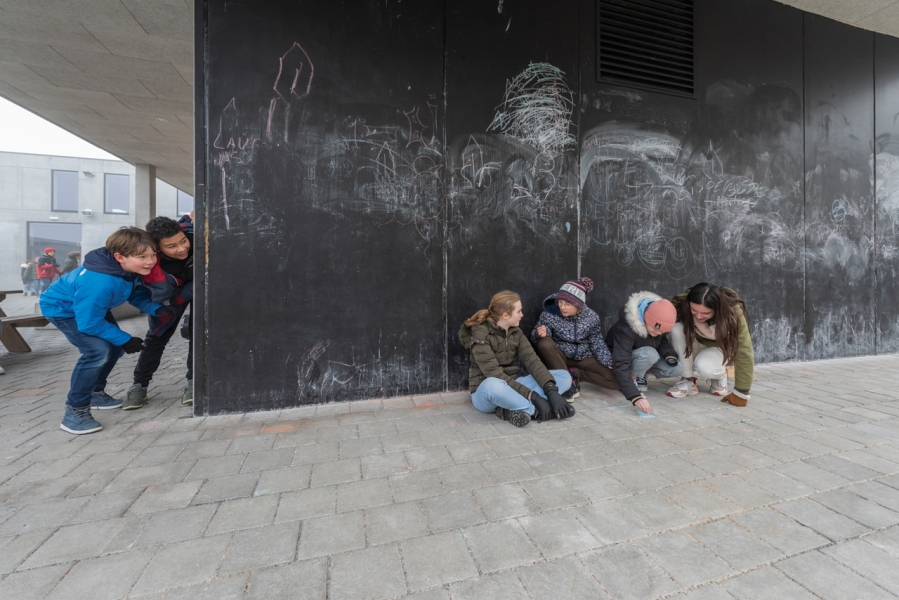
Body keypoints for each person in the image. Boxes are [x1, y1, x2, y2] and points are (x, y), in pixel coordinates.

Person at [40, 227, 176, 434]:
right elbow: (88, 323)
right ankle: (75, 412)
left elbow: (132, 294)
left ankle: (95, 393)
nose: (150, 261)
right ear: (119, 256)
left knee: (113, 348)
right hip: (64, 311)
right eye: (142, 256)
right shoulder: (100, 281)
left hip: (92, 310)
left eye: (152, 255)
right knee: (97, 352)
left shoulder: (127, 270)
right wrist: (125, 339)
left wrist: (156, 308)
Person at [458, 291, 574, 427]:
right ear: (505, 315)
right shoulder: (481, 334)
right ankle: (537, 409)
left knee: (563, 376)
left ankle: (512, 410)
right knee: (493, 384)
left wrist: (551, 389)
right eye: (518, 311)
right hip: (486, 393)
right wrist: (533, 396)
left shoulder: (516, 332)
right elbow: (494, 374)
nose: (522, 315)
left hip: (514, 385)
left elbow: (533, 361)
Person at [124, 215, 194, 409]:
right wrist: (156, 308)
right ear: (156, 248)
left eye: (183, 241)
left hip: (198, 291)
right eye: (171, 246)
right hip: (167, 301)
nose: (181, 249)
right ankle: (139, 385)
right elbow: (136, 295)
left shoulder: (196, 238)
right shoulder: (147, 263)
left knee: (199, 334)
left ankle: (194, 383)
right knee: (156, 338)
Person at [666, 283, 755, 407]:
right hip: (694, 344)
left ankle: (719, 375)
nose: (698, 316)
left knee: (704, 367)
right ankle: (688, 380)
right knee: (676, 328)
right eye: (694, 310)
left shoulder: (733, 313)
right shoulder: (682, 302)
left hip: (719, 348)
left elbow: (744, 349)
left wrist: (741, 392)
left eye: (705, 313)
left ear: (718, 308)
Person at [531, 277, 618, 400]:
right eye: (560, 302)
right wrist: (540, 333)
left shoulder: (592, 317)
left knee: (615, 381)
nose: (562, 307)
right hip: (560, 357)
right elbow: (535, 338)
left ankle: (575, 374)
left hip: (583, 357)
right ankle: (565, 380)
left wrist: (608, 360)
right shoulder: (549, 314)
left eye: (568, 304)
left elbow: (596, 341)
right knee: (544, 343)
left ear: (578, 305)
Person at [605, 291, 682, 415]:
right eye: (657, 329)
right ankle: (633, 379)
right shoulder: (625, 329)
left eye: (663, 332)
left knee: (677, 368)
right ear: (647, 318)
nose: (659, 334)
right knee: (649, 353)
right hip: (621, 359)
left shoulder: (657, 328)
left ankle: (642, 372)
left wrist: (669, 354)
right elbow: (621, 363)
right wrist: (635, 396)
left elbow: (662, 342)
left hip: (644, 356)